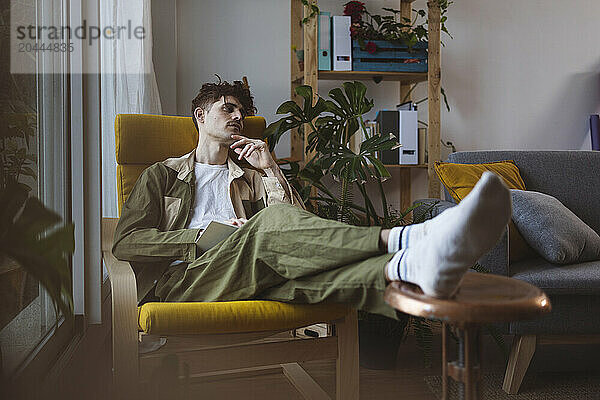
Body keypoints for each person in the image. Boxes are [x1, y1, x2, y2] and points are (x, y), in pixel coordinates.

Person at [112, 79, 511, 320]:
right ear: (200, 114)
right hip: (186, 278)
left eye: (241, 112)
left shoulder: (249, 178)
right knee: (264, 226)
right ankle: (406, 240)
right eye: (226, 108)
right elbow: (125, 242)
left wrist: (270, 170)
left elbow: (295, 227)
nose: (236, 116)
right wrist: (198, 237)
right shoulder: (162, 175)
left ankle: (406, 266)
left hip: (250, 269)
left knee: (310, 271)